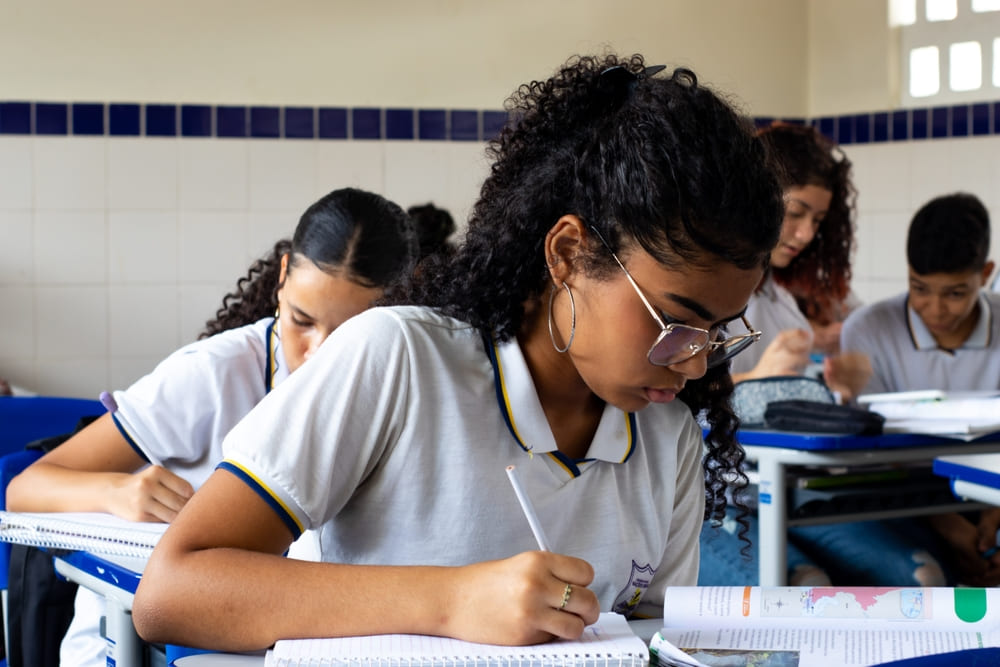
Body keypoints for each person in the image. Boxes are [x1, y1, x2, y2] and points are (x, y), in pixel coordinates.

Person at [131, 53, 785, 652]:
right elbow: (172, 592)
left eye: (718, 332)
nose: (694, 362)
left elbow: (652, 647)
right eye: (673, 320)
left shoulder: (667, 439)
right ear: (568, 253)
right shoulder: (399, 360)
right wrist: (452, 600)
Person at [6, 187, 417, 667]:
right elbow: (26, 487)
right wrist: (119, 491)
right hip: (136, 643)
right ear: (282, 276)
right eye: (301, 320)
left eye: (351, 336)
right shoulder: (214, 374)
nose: (317, 354)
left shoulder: (408, 383)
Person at [788, 192, 1000, 587]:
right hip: (898, 501)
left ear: (986, 273)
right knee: (924, 577)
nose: (935, 309)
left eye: (956, 293)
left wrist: (993, 514)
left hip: (991, 493)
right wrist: (952, 528)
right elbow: (875, 458)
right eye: (920, 288)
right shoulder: (870, 329)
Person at [728, 123, 871, 402]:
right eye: (795, 213)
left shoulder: (780, 302)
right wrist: (754, 380)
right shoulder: (706, 289)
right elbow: (671, 397)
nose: (807, 234)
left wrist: (834, 389)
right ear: (753, 200)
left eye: (817, 220)